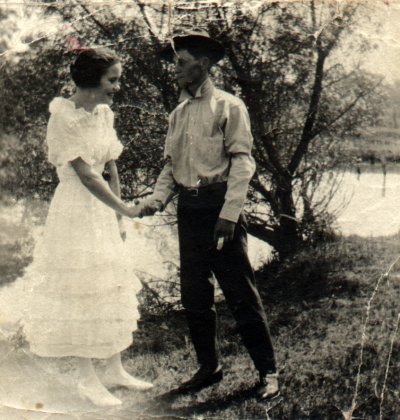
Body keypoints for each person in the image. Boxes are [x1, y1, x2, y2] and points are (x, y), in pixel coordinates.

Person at [5, 47, 153, 408]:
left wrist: (119, 215)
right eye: (112, 80)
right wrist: (127, 209)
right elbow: (86, 175)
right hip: (74, 210)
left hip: (102, 210)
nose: (116, 87)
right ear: (90, 81)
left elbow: (110, 167)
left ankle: (114, 369)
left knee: (109, 282)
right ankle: (88, 378)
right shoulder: (62, 117)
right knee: (83, 288)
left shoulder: (104, 113)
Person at [139, 31, 279, 400]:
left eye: (181, 62)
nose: (175, 69)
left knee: (239, 293)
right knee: (194, 295)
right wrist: (155, 200)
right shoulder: (178, 114)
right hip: (190, 210)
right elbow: (172, 167)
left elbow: (243, 162)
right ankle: (209, 367)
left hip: (221, 210)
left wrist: (230, 214)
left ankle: (268, 373)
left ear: (202, 65)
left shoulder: (229, 106)